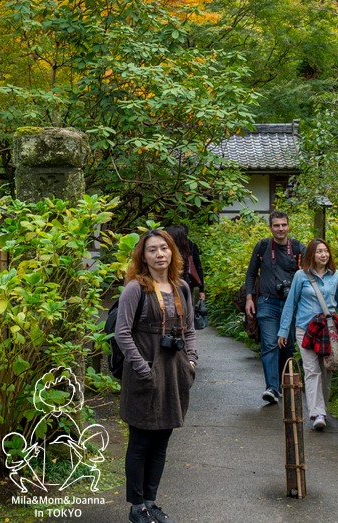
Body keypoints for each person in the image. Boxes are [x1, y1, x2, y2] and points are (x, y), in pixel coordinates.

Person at [115, 229, 198, 523]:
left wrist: (191, 363)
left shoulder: (181, 288)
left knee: (161, 443)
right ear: (143, 256)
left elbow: (188, 330)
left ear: (172, 252)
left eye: (164, 248)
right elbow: (122, 333)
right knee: (140, 442)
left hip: (174, 374)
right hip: (145, 374)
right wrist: (141, 368)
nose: (159, 254)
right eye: (152, 250)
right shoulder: (136, 289)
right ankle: (136, 507)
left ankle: (151, 502)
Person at [276, 238, 338, 431]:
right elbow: (291, 303)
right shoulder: (301, 276)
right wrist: (283, 331)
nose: (324, 255)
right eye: (319, 251)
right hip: (306, 330)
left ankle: (322, 409)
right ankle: (317, 413)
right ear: (311, 254)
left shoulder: (336, 275)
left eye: (326, 251)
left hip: (328, 330)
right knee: (312, 370)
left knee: (327, 370)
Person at [243, 210, 304, 404]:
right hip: (267, 302)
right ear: (270, 228)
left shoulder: (297, 247)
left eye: (283, 225)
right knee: (269, 344)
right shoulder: (262, 247)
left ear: (288, 226)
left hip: (290, 304)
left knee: (287, 347)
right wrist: (249, 298)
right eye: (276, 225)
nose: (280, 229)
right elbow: (251, 274)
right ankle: (271, 388)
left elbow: (307, 274)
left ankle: (282, 385)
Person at [165, 224, 205, 316]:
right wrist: (201, 290)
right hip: (186, 282)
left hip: (176, 282)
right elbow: (198, 267)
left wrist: (201, 290)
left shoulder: (167, 248)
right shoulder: (190, 245)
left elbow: (198, 266)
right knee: (186, 310)